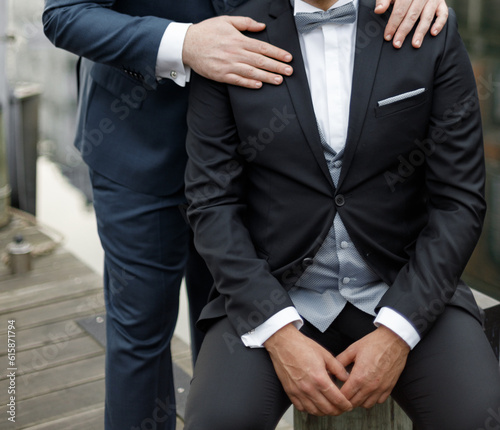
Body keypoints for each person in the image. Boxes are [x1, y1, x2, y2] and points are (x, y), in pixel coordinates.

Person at [42, 0, 450, 428]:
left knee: (230, 336)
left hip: (265, 162)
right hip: (140, 145)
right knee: (138, 337)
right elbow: (65, 13)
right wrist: (185, 42)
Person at [183, 0, 500, 428]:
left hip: (404, 283)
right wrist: (277, 333)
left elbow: (459, 200)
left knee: (477, 416)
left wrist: (397, 331)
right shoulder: (231, 40)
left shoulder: (425, 25)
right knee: (218, 420)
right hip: (274, 290)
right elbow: (212, 203)